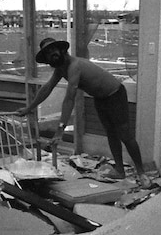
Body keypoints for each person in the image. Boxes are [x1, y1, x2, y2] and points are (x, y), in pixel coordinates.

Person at [16, 37, 150, 185]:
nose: (51, 53)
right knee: (111, 134)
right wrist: (29, 108)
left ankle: (141, 172)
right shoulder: (61, 69)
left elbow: (69, 98)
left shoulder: (74, 66)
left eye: (53, 49)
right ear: (47, 59)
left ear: (61, 50)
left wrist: (60, 129)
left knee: (125, 135)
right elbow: (47, 88)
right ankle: (120, 171)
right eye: (48, 52)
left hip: (115, 94)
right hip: (100, 99)